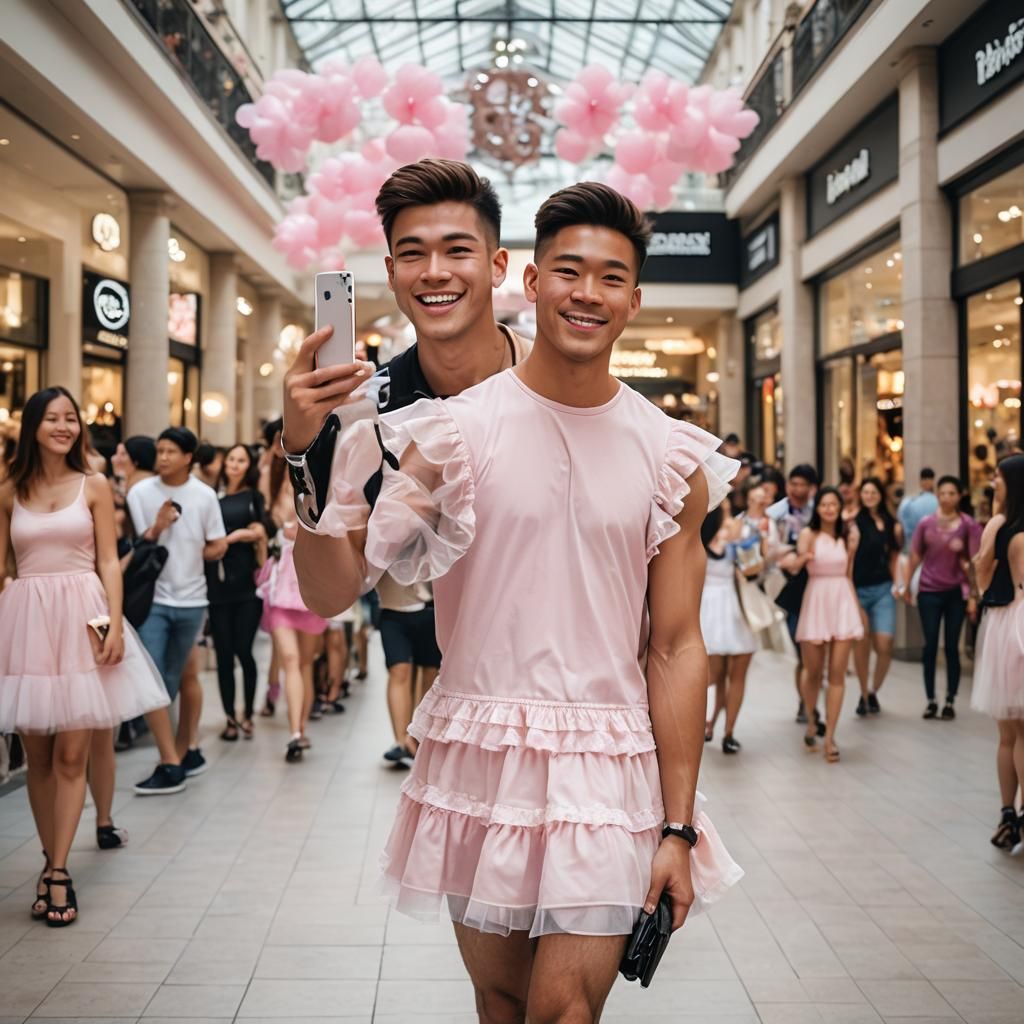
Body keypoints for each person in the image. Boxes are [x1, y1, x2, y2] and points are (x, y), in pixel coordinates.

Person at [294, 183, 743, 1019]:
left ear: (634, 301)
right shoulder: (451, 434)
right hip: (481, 752)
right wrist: (302, 459)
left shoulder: (670, 455)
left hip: (609, 764)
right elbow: (331, 591)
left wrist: (678, 829)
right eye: (568, 270)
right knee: (500, 1002)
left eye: (611, 277)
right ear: (531, 283)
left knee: (565, 1009)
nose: (587, 292)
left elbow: (677, 646)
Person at [0, 388, 169, 925]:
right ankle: (52, 858)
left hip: (83, 617)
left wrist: (115, 621)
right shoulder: (9, 490)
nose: (63, 426)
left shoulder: (94, 485)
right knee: (40, 759)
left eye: (70, 418)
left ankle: (57, 870)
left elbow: (110, 563)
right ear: (32, 427)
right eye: (51, 418)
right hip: (26, 620)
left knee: (73, 754)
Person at [128, 427, 228, 792]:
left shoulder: (203, 496)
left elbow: (217, 543)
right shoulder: (140, 492)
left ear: (189, 457)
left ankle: (183, 752)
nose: (163, 456)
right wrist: (157, 526)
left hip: (193, 600)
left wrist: (205, 551)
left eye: (171, 451)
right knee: (154, 679)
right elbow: (138, 545)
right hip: (152, 599)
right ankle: (169, 761)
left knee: (174, 679)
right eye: (160, 450)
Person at [257, 465, 327, 763]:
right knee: (290, 660)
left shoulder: (325, 492)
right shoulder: (274, 493)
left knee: (306, 665)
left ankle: (301, 727)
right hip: (281, 592)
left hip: (312, 590)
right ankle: (294, 735)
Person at [972, 455, 1024, 851]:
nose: (993, 481)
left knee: (1009, 732)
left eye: (998, 477)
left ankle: (1009, 813)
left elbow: (982, 575)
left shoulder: (1000, 526)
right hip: (1016, 624)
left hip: (1005, 624)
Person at [796, 486, 864, 763]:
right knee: (813, 671)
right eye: (824, 504)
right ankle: (812, 718)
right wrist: (803, 557)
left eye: (833, 504)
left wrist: (857, 606)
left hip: (842, 600)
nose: (829, 508)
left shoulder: (850, 535)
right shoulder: (808, 535)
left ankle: (831, 737)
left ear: (840, 507)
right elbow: (797, 563)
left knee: (837, 673)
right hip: (816, 599)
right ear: (818, 508)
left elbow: (849, 574)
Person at [905, 475, 981, 720]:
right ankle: (931, 700)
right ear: (937, 495)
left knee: (951, 647)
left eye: (952, 493)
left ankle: (950, 699)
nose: (947, 497)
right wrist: (906, 585)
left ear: (960, 496)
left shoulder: (968, 525)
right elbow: (915, 555)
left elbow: (975, 564)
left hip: (956, 593)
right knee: (930, 646)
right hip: (929, 590)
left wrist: (973, 597)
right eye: (943, 493)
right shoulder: (926, 523)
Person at [207, 444, 268, 741]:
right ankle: (230, 716)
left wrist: (233, 537)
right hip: (216, 583)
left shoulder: (252, 498)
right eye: (231, 459)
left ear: (249, 465)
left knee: (244, 650)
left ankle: (248, 715)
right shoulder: (212, 496)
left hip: (247, 583)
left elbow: (260, 530)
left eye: (241, 460)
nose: (234, 464)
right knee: (224, 654)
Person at [700, 503, 759, 753]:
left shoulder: (737, 535)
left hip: (729, 606)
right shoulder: (701, 539)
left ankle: (725, 730)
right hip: (714, 609)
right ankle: (713, 725)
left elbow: (752, 569)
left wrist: (749, 548)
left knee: (731, 671)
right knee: (717, 674)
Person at [768, 464, 819, 724]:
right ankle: (805, 701)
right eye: (794, 484)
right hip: (791, 589)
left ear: (813, 487)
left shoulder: (820, 512)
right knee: (801, 648)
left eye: (803, 485)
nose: (798, 490)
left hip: (819, 588)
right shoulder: (775, 514)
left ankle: (810, 699)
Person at [852, 477, 904, 716]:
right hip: (859, 589)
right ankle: (863, 694)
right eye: (866, 492)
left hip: (884, 589)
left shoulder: (891, 523)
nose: (869, 496)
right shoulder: (854, 523)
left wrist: (898, 582)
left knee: (885, 645)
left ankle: (874, 689)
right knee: (861, 644)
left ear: (881, 494)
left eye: (873, 491)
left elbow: (894, 556)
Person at [378, 575, 441, 768]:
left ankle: (418, 735)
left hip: (430, 608)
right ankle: (400, 741)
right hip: (391, 608)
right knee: (399, 670)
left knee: (430, 673)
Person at [898, 467, 938, 558]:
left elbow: (899, 529)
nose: (927, 482)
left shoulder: (907, 503)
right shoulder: (940, 503)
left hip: (911, 550)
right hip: (933, 551)